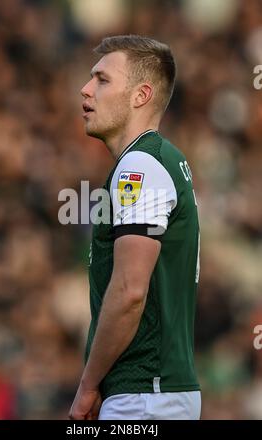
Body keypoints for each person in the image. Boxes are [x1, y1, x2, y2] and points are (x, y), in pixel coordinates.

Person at [69, 35, 201, 420]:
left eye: (102, 80)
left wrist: (88, 385)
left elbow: (129, 291)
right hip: (157, 393)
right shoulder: (159, 160)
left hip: (144, 395)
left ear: (141, 95)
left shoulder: (139, 168)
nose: (86, 88)